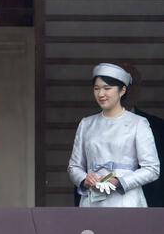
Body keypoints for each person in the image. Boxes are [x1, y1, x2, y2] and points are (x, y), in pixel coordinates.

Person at [68, 63, 160, 207]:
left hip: (127, 201)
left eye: (107, 88)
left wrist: (120, 181)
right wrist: (85, 179)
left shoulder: (138, 123)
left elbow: (152, 169)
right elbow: (74, 166)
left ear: (122, 90)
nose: (101, 94)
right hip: (92, 201)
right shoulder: (86, 124)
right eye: (96, 88)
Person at [122, 63, 164, 207]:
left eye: (132, 84)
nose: (126, 90)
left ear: (139, 88)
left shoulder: (158, 127)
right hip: (103, 210)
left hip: (149, 211)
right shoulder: (90, 126)